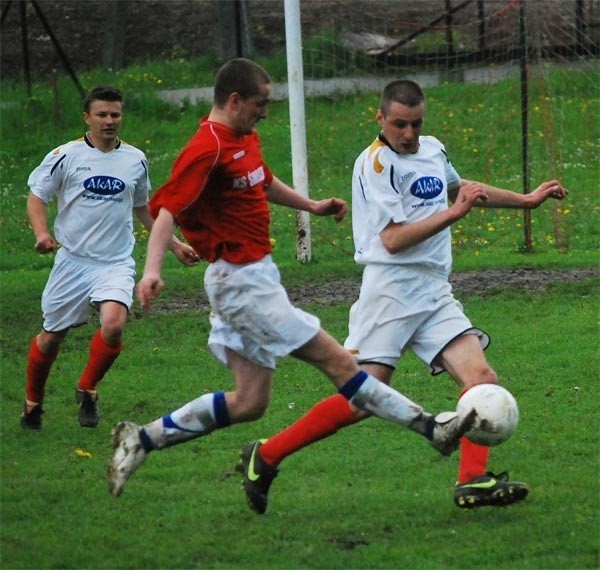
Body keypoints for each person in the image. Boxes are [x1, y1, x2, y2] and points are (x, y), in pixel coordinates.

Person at [106, 59, 477, 499]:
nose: (265, 112)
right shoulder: (207, 148)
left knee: (249, 402)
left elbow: (262, 183)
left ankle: (142, 438)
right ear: (234, 100)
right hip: (241, 284)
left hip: (252, 278)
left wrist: (311, 205)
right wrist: (152, 270)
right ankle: (431, 427)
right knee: (340, 362)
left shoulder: (244, 137)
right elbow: (164, 210)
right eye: (260, 104)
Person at [238, 79, 569, 513]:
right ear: (380, 118)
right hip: (390, 292)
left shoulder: (432, 148)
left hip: (434, 292)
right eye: (399, 124)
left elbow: (456, 188)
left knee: (482, 380)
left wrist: (524, 201)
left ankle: (473, 480)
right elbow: (393, 240)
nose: (409, 134)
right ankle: (266, 455)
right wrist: (454, 215)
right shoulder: (373, 165)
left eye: (416, 123)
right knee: (364, 399)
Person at [21, 85, 199, 431]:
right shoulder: (65, 156)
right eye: (101, 114)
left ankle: (87, 389)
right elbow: (36, 197)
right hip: (72, 261)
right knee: (50, 338)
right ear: (87, 117)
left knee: (114, 325)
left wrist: (175, 246)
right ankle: (32, 404)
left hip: (115, 262)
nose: (109, 121)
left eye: (115, 114)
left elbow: (144, 210)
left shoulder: (135, 159)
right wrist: (42, 234)